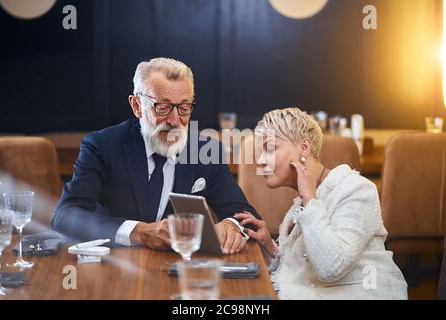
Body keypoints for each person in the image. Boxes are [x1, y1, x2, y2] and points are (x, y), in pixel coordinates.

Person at [52, 58, 259, 254]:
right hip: (113, 268)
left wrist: (231, 225)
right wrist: (140, 232)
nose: (175, 120)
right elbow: (65, 217)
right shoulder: (102, 146)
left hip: (177, 269)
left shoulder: (206, 152)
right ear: (136, 106)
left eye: (184, 107)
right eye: (163, 107)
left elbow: (246, 217)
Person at [235, 107, 408, 299]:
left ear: (304, 148)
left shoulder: (357, 189)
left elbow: (330, 267)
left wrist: (310, 199)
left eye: (270, 148)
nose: (260, 160)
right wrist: (269, 246)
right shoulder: (302, 203)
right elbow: (303, 269)